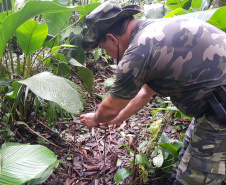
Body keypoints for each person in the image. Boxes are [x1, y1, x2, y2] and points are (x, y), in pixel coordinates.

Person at [80, 0, 226, 184]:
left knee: (198, 177)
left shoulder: (137, 54)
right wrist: (118, 119)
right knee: (188, 154)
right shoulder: (153, 31)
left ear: (112, 38)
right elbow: (144, 93)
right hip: (213, 105)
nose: (108, 54)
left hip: (219, 112)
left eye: (103, 48)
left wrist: (95, 119)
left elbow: (109, 108)